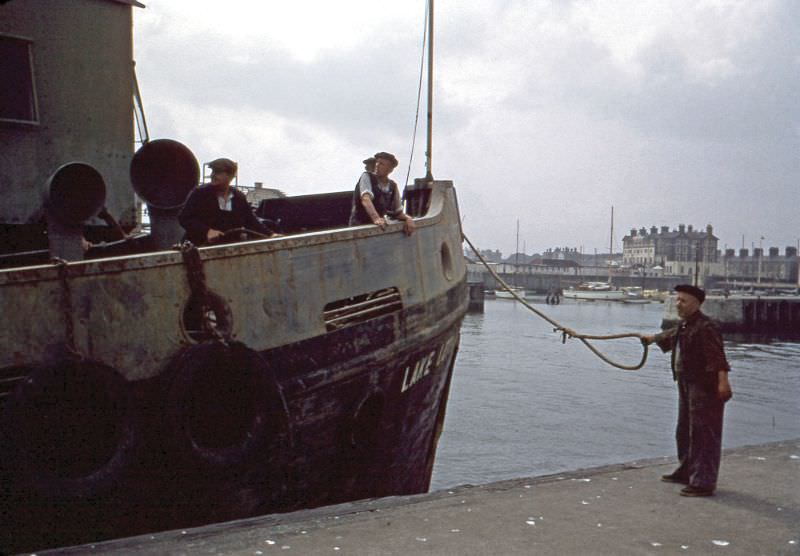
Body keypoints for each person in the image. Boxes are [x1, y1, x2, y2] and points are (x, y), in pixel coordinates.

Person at [640, 284, 733, 497]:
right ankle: (686, 471)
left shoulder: (707, 327)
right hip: (686, 383)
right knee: (684, 430)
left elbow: (718, 357)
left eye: (683, 301)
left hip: (705, 386)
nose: (678, 304)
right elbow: (673, 336)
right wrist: (653, 339)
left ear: (696, 304)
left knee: (704, 434)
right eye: (677, 300)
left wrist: (723, 383)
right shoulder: (685, 325)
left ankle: (703, 482)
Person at [179, 158, 273, 245]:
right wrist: (207, 231)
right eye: (213, 172)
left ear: (230, 176)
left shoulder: (238, 197)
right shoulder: (200, 193)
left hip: (227, 249)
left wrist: (271, 235)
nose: (212, 175)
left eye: (218, 172)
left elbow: (251, 221)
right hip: (199, 248)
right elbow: (184, 218)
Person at [349, 151, 415, 236]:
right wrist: (376, 218)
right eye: (377, 162)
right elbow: (366, 199)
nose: (377, 165)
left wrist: (408, 219)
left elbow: (398, 213)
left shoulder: (393, 186)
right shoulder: (366, 177)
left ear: (390, 169)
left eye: (381, 164)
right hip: (359, 228)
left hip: (376, 229)